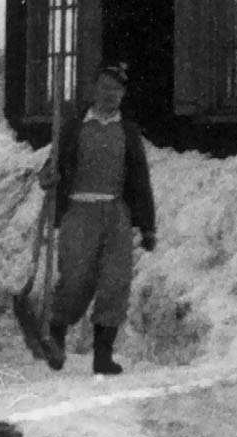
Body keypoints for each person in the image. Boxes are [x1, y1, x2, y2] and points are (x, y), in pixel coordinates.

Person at [35, 61, 156, 375]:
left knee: (116, 282)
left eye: (116, 90)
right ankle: (57, 332)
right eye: (105, 87)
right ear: (93, 90)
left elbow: (140, 179)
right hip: (80, 211)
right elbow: (52, 166)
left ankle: (103, 355)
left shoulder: (127, 131)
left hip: (116, 213)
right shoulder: (75, 125)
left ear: (123, 95)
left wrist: (147, 225)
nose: (110, 95)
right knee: (77, 280)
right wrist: (48, 176)